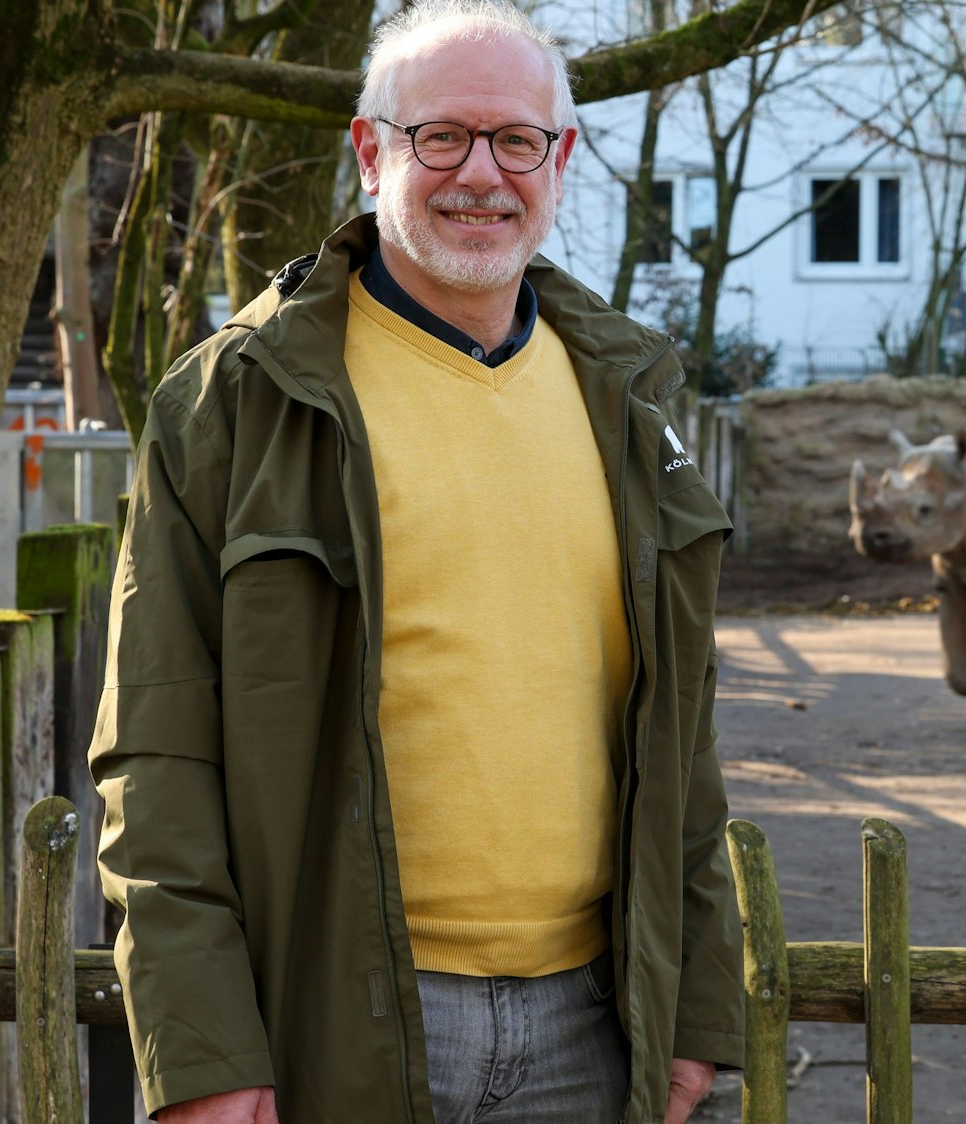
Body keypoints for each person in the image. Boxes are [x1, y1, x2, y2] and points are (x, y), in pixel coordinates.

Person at [89, 3, 743, 1121]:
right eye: (439, 135)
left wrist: (700, 1011)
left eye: (515, 140)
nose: (479, 174)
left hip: (599, 1025)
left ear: (561, 159)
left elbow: (682, 742)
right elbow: (155, 753)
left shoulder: (626, 405)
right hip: (337, 1024)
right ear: (370, 148)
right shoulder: (235, 401)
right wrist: (202, 1046)